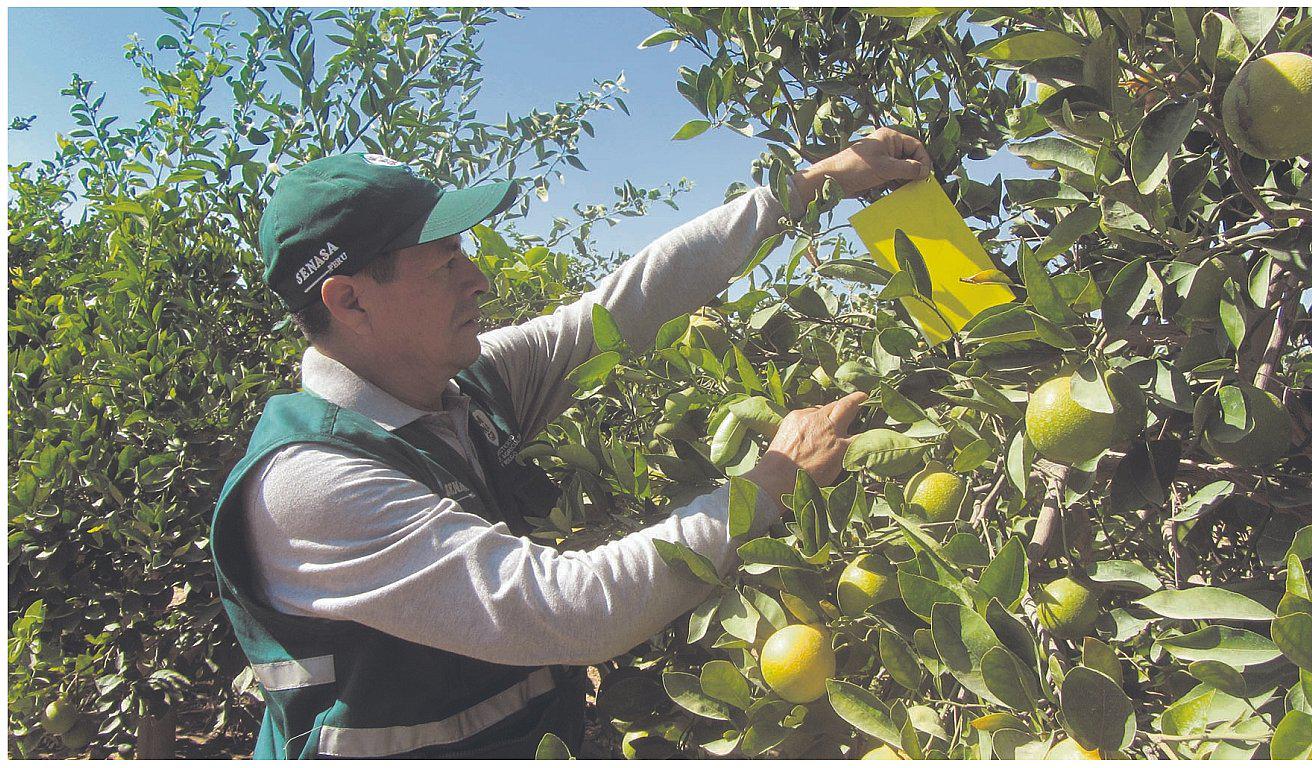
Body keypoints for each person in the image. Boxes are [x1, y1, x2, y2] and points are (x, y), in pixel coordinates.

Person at [210, 127, 932, 758]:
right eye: (446, 263)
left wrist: (810, 184)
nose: (481, 281)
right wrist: (770, 483)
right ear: (350, 299)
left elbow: (623, 307)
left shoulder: (465, 387)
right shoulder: (310, 487)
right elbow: (574, 612)